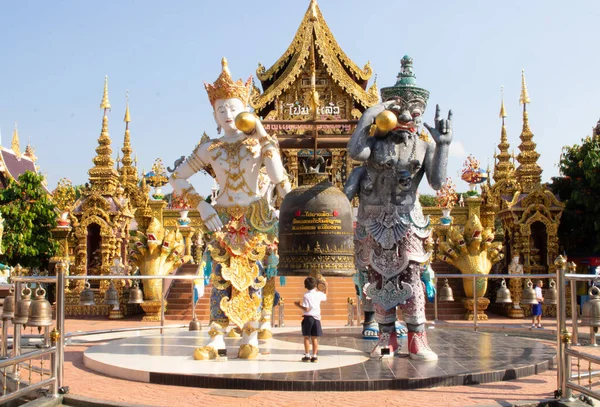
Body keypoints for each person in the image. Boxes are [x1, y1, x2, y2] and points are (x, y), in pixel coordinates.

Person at [170, 58, 291, 359]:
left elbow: (277, 178)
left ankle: (250, 333)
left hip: (255, 216)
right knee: (220, 276)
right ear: (213, 113)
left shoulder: (259, 144)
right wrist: (202, 205)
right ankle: (216, 337)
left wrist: (263, 135)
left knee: (253, 275)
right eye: (220, 109)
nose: (227, 114)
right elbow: (176, 177)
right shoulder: (210, 148)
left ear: (246, 110)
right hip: (220, 217)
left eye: (233, 107)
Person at [294, 276, 327, 363]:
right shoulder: (319, 294)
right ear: (315, 285)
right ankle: (315, 356)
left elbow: (306, 309)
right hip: (316, 318)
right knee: (314, 338)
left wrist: (297, 305)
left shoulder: (306, 295)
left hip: (308, 318)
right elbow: (325, 296)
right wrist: (325, 286)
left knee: (306, 337)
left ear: (305, 286)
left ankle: (307, 355)